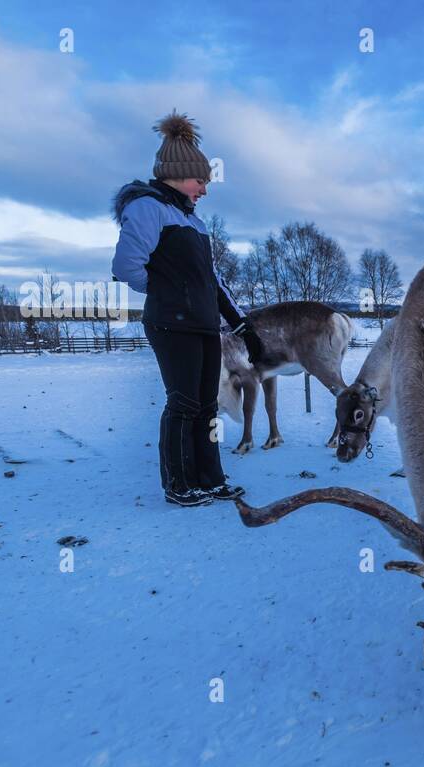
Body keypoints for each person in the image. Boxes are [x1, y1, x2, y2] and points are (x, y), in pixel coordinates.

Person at [111, 111, 266, 506]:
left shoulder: (194, 224)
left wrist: (242, 326)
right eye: (202, 181)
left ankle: (210, 478)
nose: (205, 190)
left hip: (201, 325)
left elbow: (213, 282)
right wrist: (169, 293)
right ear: (178, 175)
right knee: (182, 403)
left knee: (207, 405)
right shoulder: (147, 208)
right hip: (170, 324)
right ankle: (179, 484)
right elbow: (126, 267)